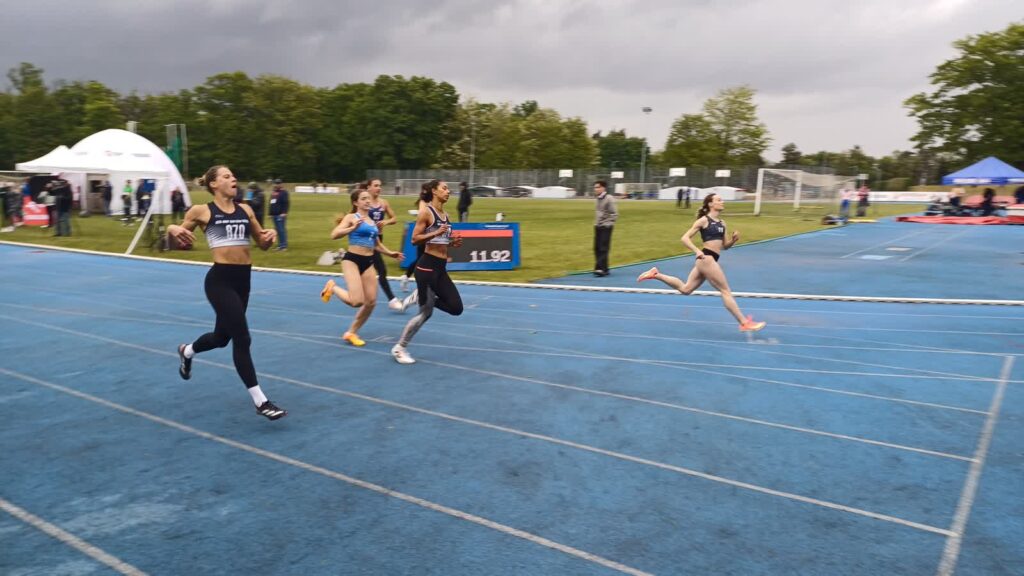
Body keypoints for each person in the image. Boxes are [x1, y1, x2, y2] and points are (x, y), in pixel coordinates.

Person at [166, 165, 286, 420]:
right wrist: (171, 230)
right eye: (227, 176)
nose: (234, 179)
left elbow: (262, 244)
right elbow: (175, 238)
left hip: (244, 281)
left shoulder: (246, 210)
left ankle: (187, 351)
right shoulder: (202, 211)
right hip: (220, 281)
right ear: (213, 184)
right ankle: (260, 401)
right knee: (242, 337)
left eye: (233, 175)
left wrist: (271, 236)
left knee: (222, 338)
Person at [636, 193, 767, 332]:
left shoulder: (722, 223)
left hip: (709, 259)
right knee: (725, 290)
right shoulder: (704, 221)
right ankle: (744, 322)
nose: (722, 202)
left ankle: (656, 274)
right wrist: (697, 251)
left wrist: (733, 240)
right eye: (719, 200)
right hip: (706, 258)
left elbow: (724, 246)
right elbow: (685, 238)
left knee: (686, 289)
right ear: (711, 204)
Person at [391, 180, 464, 364]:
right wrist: (436, 232)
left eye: (449, 188)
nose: (448, 191)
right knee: (426, 313)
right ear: (434, 191)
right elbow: (415, 239)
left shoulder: (446, 216)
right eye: (444, 188)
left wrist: (451, 243)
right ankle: (400, 348)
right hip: (426, 267)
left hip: (440, 268)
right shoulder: (426, 212)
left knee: (456, 308)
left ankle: (422, 295)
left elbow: (441, 242)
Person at [319, 188, 404, 346]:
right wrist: (351, 228)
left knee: (371, 302)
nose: (367, 201)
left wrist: (390, 253)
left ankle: (351, 332)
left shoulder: (372, 222)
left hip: (368, 261)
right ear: (355, 202)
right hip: (352, 260)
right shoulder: (351, 217)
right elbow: (334, 234)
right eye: (363, 198)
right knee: (356, 301)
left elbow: (376, 244)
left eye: (368, 198)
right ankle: (332, 287)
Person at [365, 178, 404, 311]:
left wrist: (386, 222)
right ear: (369, 187)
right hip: (367, 240)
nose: (379, 188)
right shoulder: (364, 202)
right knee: (381, 269)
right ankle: (392, 300)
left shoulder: (383, 203)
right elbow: (353, 216)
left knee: (367, 269)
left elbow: (394, 218)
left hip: (379, 238)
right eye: (376, 185)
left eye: (380, 186)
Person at [399, 196, 427, 293]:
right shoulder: (424, 202)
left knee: (423, 261)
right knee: (421, 260)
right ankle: (408, 278)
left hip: (431, 237)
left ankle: (407, 277)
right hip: (423, 236)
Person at [593, 180, 617, 276]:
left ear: (603, 188)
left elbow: (614, 214)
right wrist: (596, 223)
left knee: (603, 248)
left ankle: (601, 269)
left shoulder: (609, 198)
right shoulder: (598, 198)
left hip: (606, 226)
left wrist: (608, 223)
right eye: (595, 187)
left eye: (597, 187)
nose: (596, 189)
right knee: (596, 248)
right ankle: (603, 268)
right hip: (598, 226)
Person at [269, 179, 289, 250]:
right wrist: (270, 213)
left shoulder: (284, 193)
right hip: (274, 214)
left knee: (281, 230)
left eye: (278, 183)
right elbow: (271, 203)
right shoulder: (273, 192)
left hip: (280, 214)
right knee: (277, 230)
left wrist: (284, 212)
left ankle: (283, 246)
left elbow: (286, 203)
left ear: (281, 184)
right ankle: (280, 245)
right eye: (275, 183)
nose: (276, 185)